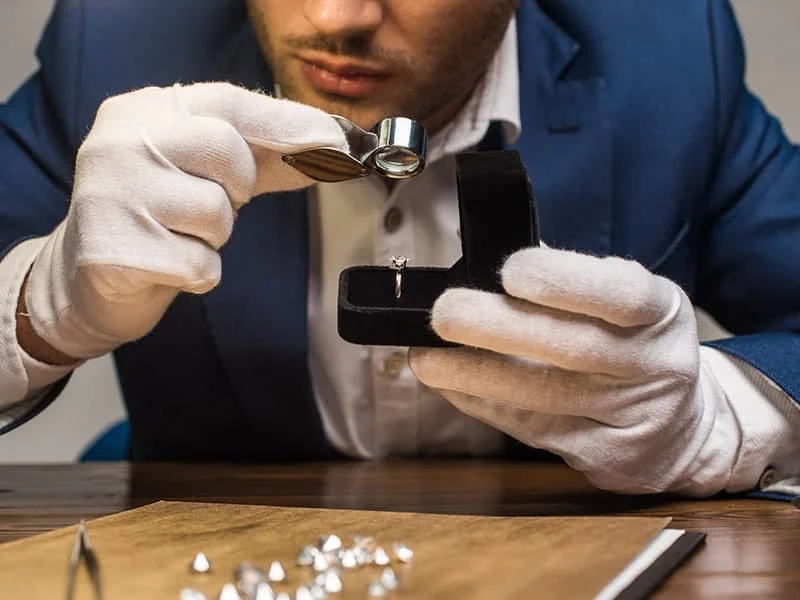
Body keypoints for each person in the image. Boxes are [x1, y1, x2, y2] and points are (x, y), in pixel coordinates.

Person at [0, 0, 798, 498]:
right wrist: (42, 309)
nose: (335, 17)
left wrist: (719, 417)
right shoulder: (110, 34)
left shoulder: (672, 52)